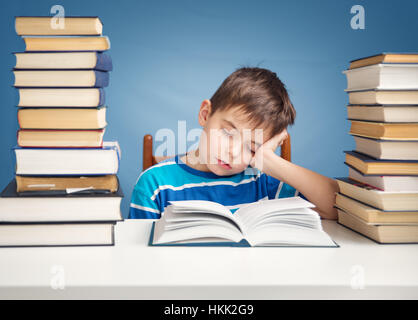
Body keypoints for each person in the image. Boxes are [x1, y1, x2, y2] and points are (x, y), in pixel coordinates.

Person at [129, 67, 339, 219]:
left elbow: (337, 208)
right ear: (205, 114)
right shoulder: (154, 185)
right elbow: (140, 260)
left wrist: (268, 160)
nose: (233, 152)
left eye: (251, 147)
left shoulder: (262, 181)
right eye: (228, 133)